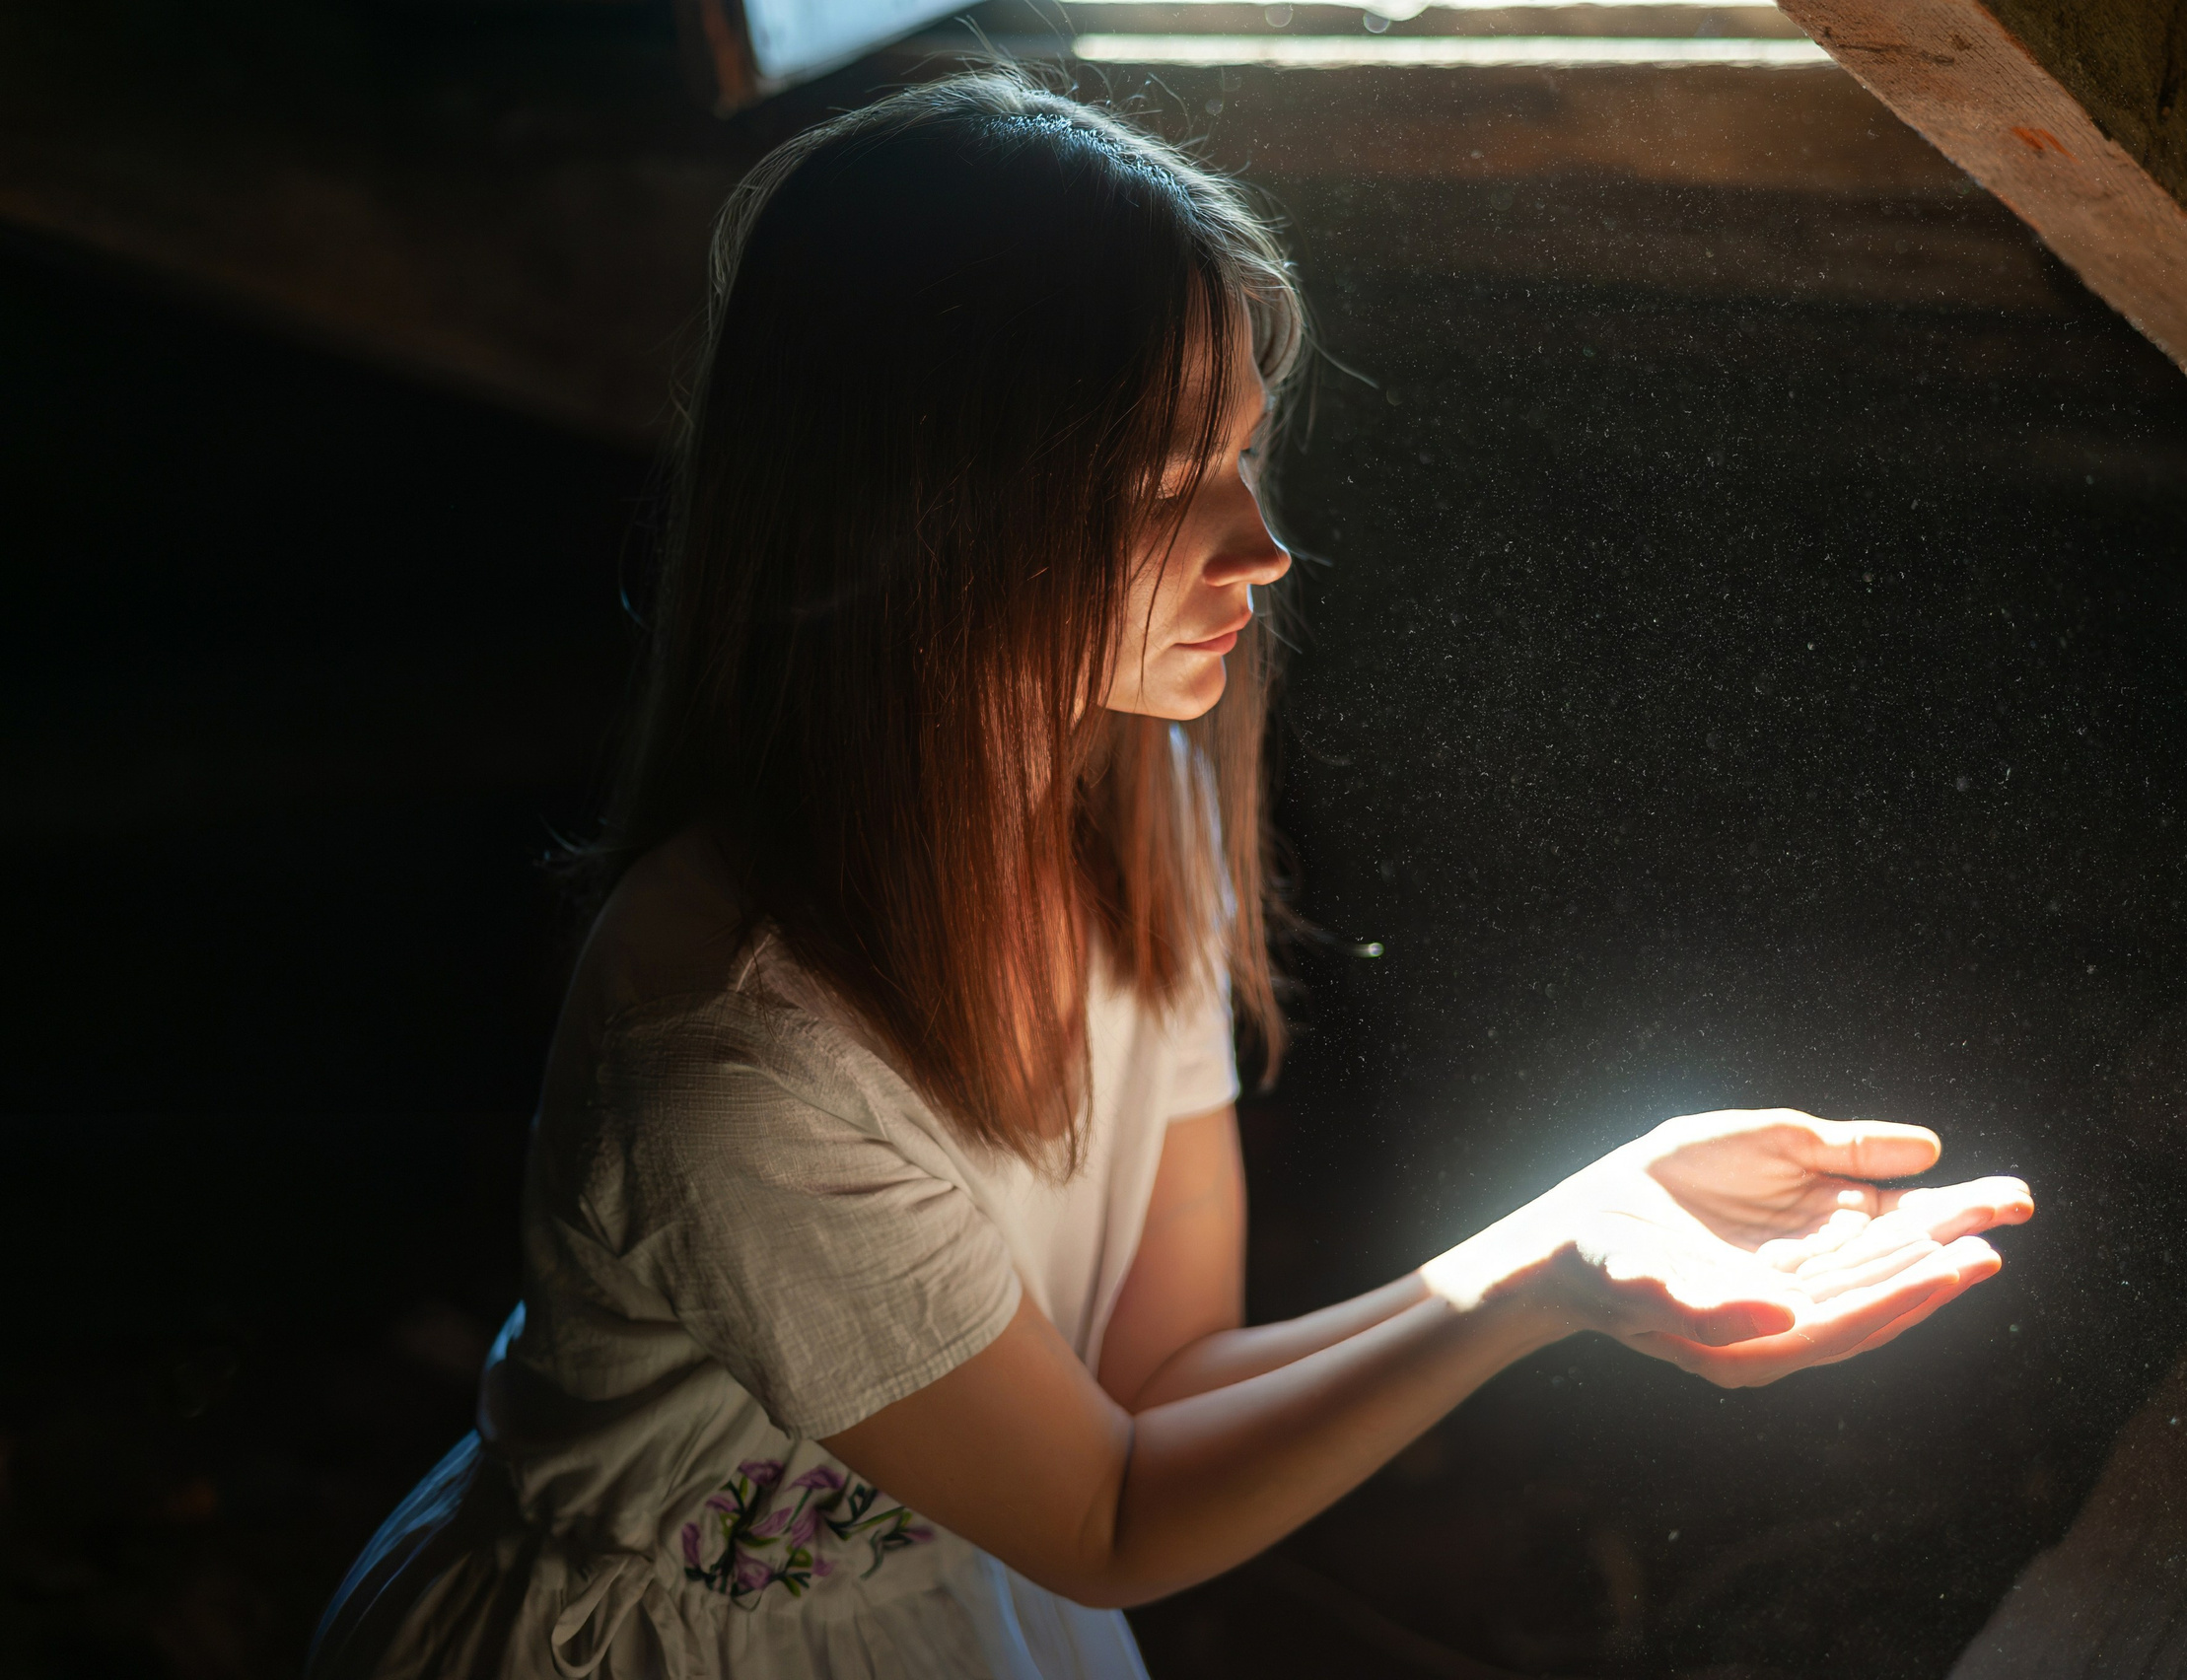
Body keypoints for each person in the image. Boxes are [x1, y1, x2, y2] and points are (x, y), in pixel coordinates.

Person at [307, 70, 2035, 1680]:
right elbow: (1106, 1518)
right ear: (928, 515)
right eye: (1161, 484)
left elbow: (1149, 1389)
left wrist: (1579, 1220)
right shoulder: (741, 1056)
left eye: (1239, 453)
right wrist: (1540, 1284)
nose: (1260, 549)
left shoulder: (1143, 799)